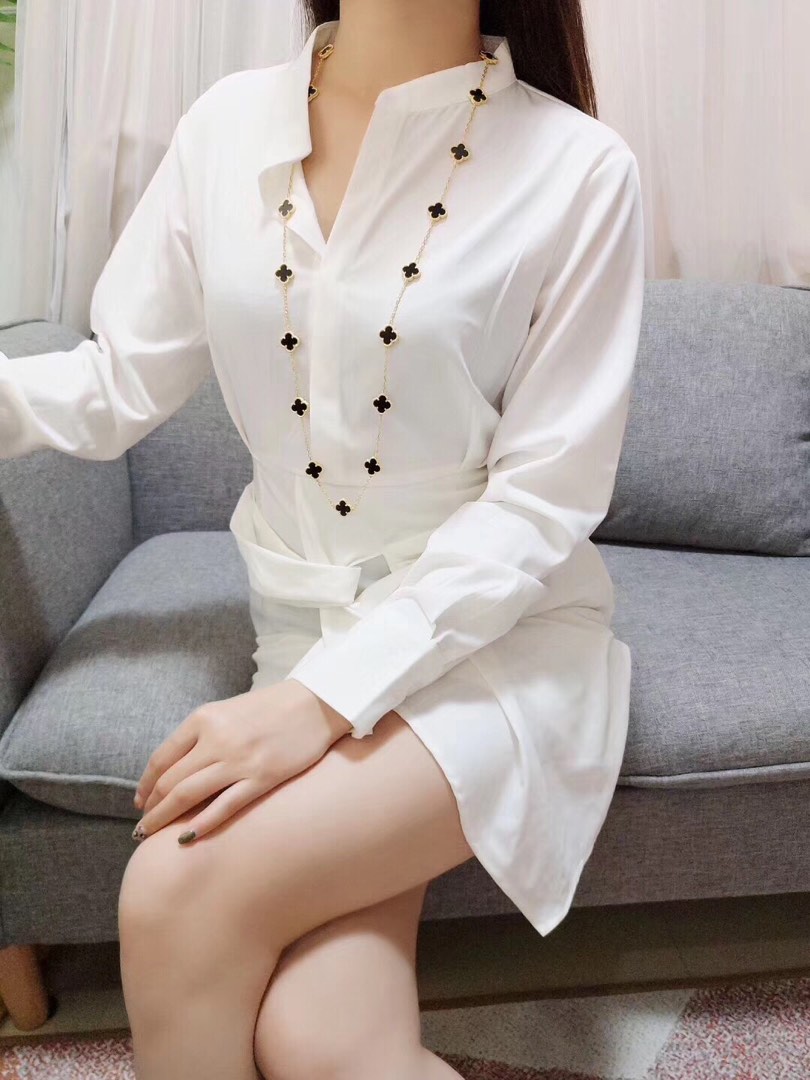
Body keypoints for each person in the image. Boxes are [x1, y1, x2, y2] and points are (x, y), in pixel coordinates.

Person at [0, 1, 646, 1076]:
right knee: (323, 1041)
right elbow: (117, 381)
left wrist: (317, 704)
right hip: (303, 633)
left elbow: (542, 503)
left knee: (175, 891)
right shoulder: (224, 129)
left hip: (494, 647)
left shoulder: (580, 170)